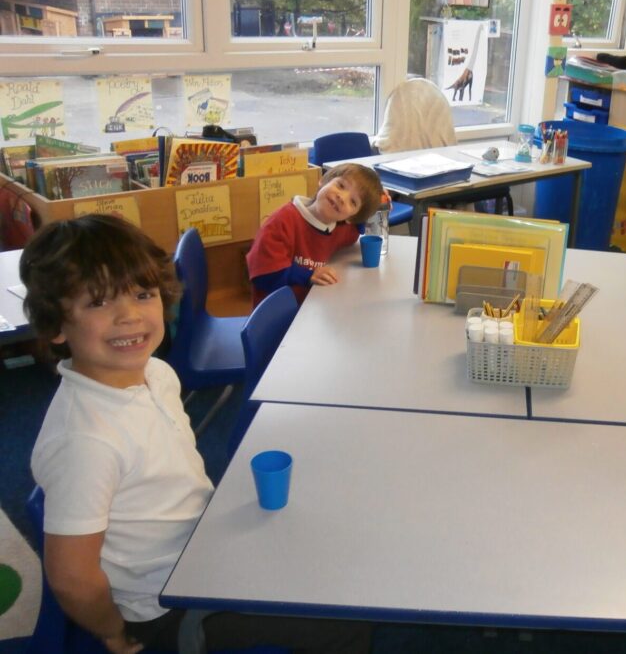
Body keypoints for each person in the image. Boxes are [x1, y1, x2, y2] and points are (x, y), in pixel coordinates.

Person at [21, 214, 370, 653]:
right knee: (346, 623)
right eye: (99, 302)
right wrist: (112, 632)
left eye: (142, 294)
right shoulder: (85, 441)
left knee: (337, 546)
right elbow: (72, 578)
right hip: (168, 603)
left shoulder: (155, 373)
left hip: (203, 541)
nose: (129, 316)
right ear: (55, 324)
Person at [247, 162, 384, 307]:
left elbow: (355, 230)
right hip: (277, 314)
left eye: (353, 202)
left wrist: (375, 204)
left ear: (351, 218)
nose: (342, 197)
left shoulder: (338, 228)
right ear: (323, 181)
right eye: (341, 185)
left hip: (312, 307)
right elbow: (264, 275)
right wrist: (308, 275)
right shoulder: (281, 222)